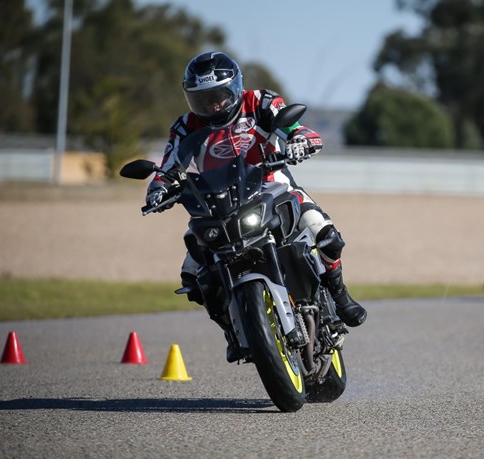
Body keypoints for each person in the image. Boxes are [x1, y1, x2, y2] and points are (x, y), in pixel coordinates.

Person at [145, 51, 367, 337]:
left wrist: (300, 141)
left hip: (271, 185)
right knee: (193, 276)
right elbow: (168, 166)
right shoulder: (185, 126)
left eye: (218, 95)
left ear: (235, 88)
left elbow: (297, 129)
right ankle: (232, 328)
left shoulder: (260, 102)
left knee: (325, 234)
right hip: (216, 204)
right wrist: (158, 189)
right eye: (202, 98)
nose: (212, 105)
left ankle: (339, 294)